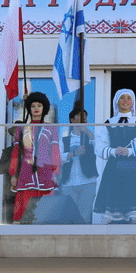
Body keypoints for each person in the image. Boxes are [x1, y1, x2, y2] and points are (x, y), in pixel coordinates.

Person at [94, 88, 136, 223]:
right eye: (122, 98)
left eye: (128, 98)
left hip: (133, 168)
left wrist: (130, 151)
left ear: (132, 102)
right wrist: (113, 151)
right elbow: (100, 147)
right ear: (117, 101)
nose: (125, 100)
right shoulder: (109, 122)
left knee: (133, 211)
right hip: (114, 169)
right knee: (115, 210)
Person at [9, 91, 59, 223]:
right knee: (25, 211)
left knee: (44, 212)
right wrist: (13, 174)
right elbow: (16, 153)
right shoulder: (21, 128)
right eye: (33, 106)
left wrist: (55, 172)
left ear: (44, 108)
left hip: (45, 172)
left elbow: (55, 151)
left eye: (39, 105)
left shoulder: (51, 128)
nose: (36, 108)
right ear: (29, 108)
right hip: (26, 172)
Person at [58, 106, 99, 223]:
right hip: (68, 183)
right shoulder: (64, 139)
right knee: (69, 217)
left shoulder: (90, 136)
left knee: (84, 217)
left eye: (85, 117)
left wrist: (88, 132)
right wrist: (74, 153)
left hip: (88, 182)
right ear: (72, 120)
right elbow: (58, 157)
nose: (84, 119)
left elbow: (99, 150)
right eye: (80, 116)